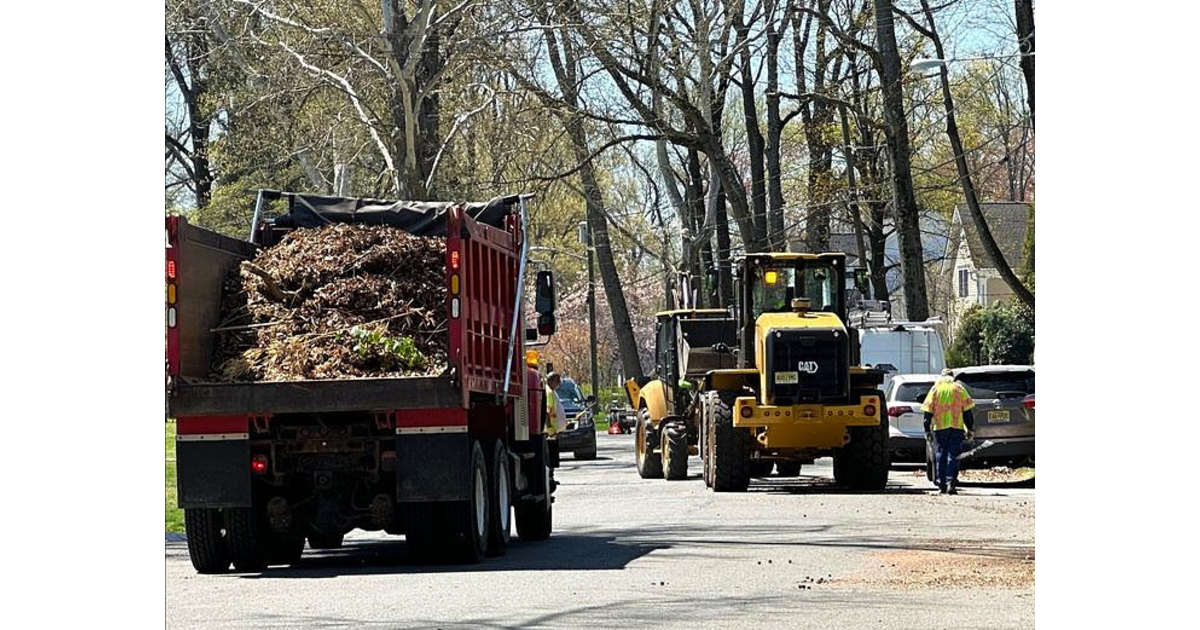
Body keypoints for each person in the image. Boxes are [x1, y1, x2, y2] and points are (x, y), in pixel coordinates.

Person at [921, 369, 975, 494]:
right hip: (956, 427)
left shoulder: (935, 389)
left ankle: (942, 484)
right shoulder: (959, 389)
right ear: (952, 377)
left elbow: (928, 411)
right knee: (953, 455)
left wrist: (926, 429)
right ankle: (951, 482)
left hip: (940, 428)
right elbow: (967, 412)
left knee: (941, 455)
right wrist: (970, 428)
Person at [544, 372, 567, 436]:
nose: (558, 383)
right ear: (549, 381)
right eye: (556, 381)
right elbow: (547, 412)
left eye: (559, 381)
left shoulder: (553, 391)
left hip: (556, 430)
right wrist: (550, 429)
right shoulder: (549, 393)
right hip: (551, 431)